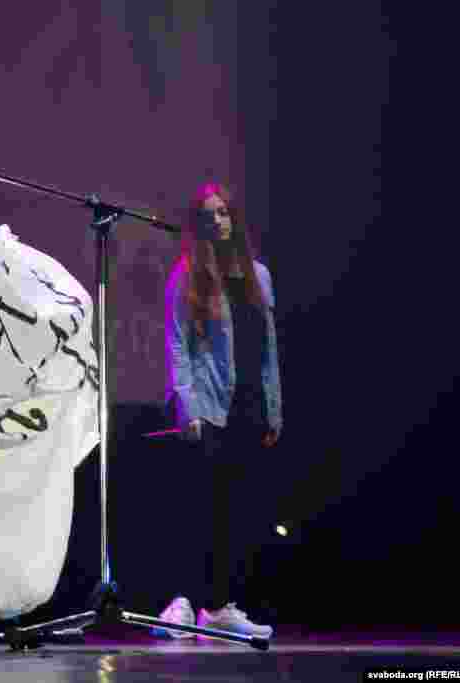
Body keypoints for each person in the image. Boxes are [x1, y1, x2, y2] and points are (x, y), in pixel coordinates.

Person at [155, 182, 282, 639]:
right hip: (207, 406)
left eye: (224, 213)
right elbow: (177, 345)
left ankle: (218, 606)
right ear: (198, 224)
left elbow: (268, 349)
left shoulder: (258, 276)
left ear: (234, 219)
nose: (218, 221)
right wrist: (186, 405)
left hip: (248, 406)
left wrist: (274, 410)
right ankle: (182, 604)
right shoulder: (188, 275)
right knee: (200, 511)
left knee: (234, 513)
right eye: (208, 215)